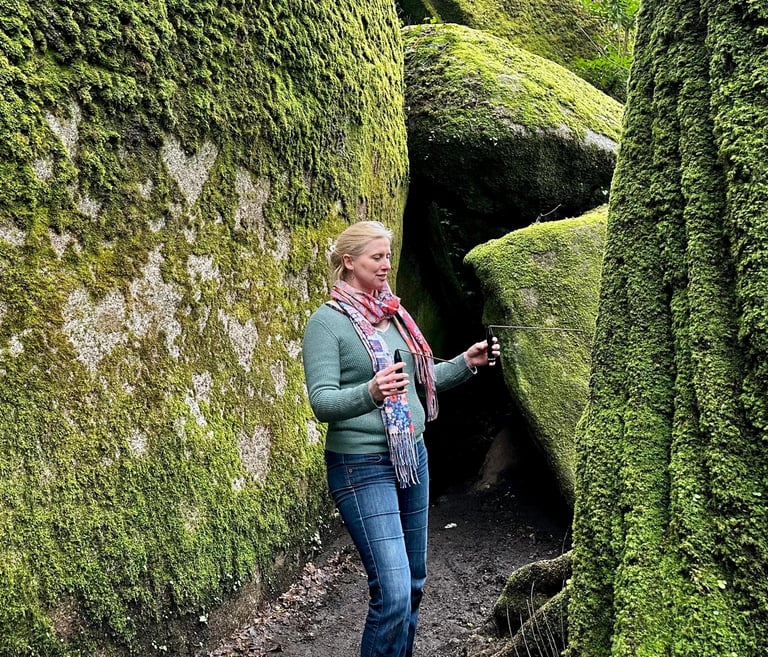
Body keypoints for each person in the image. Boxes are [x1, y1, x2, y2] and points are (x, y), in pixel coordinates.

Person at [302, 220, 500, 657]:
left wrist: (467, 362)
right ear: (349, 262)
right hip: (360, 466)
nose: (386, 264)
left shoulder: (394, 316)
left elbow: (417, 384)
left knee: (413, 583)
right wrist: (370, 391)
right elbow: (321, 403)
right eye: (377, 257)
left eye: (389, 255)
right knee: (391, 592)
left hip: (412, 456)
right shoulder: (326, 324)